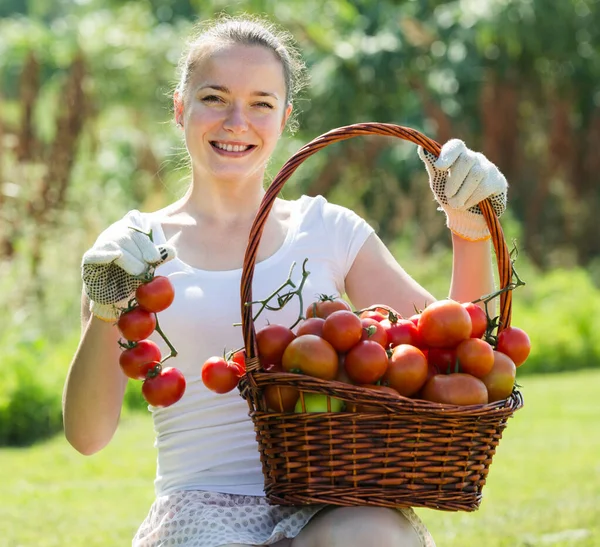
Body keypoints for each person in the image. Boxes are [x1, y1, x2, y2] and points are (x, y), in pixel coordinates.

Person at [62, 14, 508, 547]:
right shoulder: (133, 249)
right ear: (179, 108)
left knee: (374, 536)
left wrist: (470, 231)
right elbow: (87, 436)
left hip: (330, 500)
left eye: (261, 103)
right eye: (213, 97)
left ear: (285, 118)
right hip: (200, 511)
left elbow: (458, 356)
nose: (235, 121)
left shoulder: (328, 228)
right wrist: (108, 307)